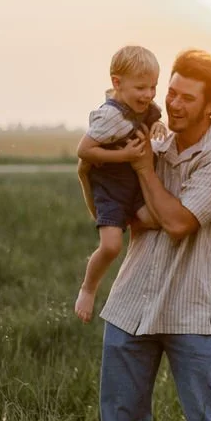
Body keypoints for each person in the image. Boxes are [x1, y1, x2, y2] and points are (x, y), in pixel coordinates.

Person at [93, 48, 211, 421]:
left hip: (191, 310)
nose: (174, 104)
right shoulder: (153, 142)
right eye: (172, 93)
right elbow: (121, 212)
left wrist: (144, 175)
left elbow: (179, 223)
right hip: (130, 304)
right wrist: (115, 187)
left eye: (187, 98)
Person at [74, 45, 167, 323]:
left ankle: (125, 223)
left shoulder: (143, 106)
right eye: (141, 87)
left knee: (153, 220)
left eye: (153, 87)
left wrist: (158, 126)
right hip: (111, 190)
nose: (148, 95)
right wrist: (123, 155)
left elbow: (153, 117)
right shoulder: (109, 116)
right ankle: (88, 288)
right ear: (117, 83)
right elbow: (84, 151)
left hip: (133, 185)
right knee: (112, 246)